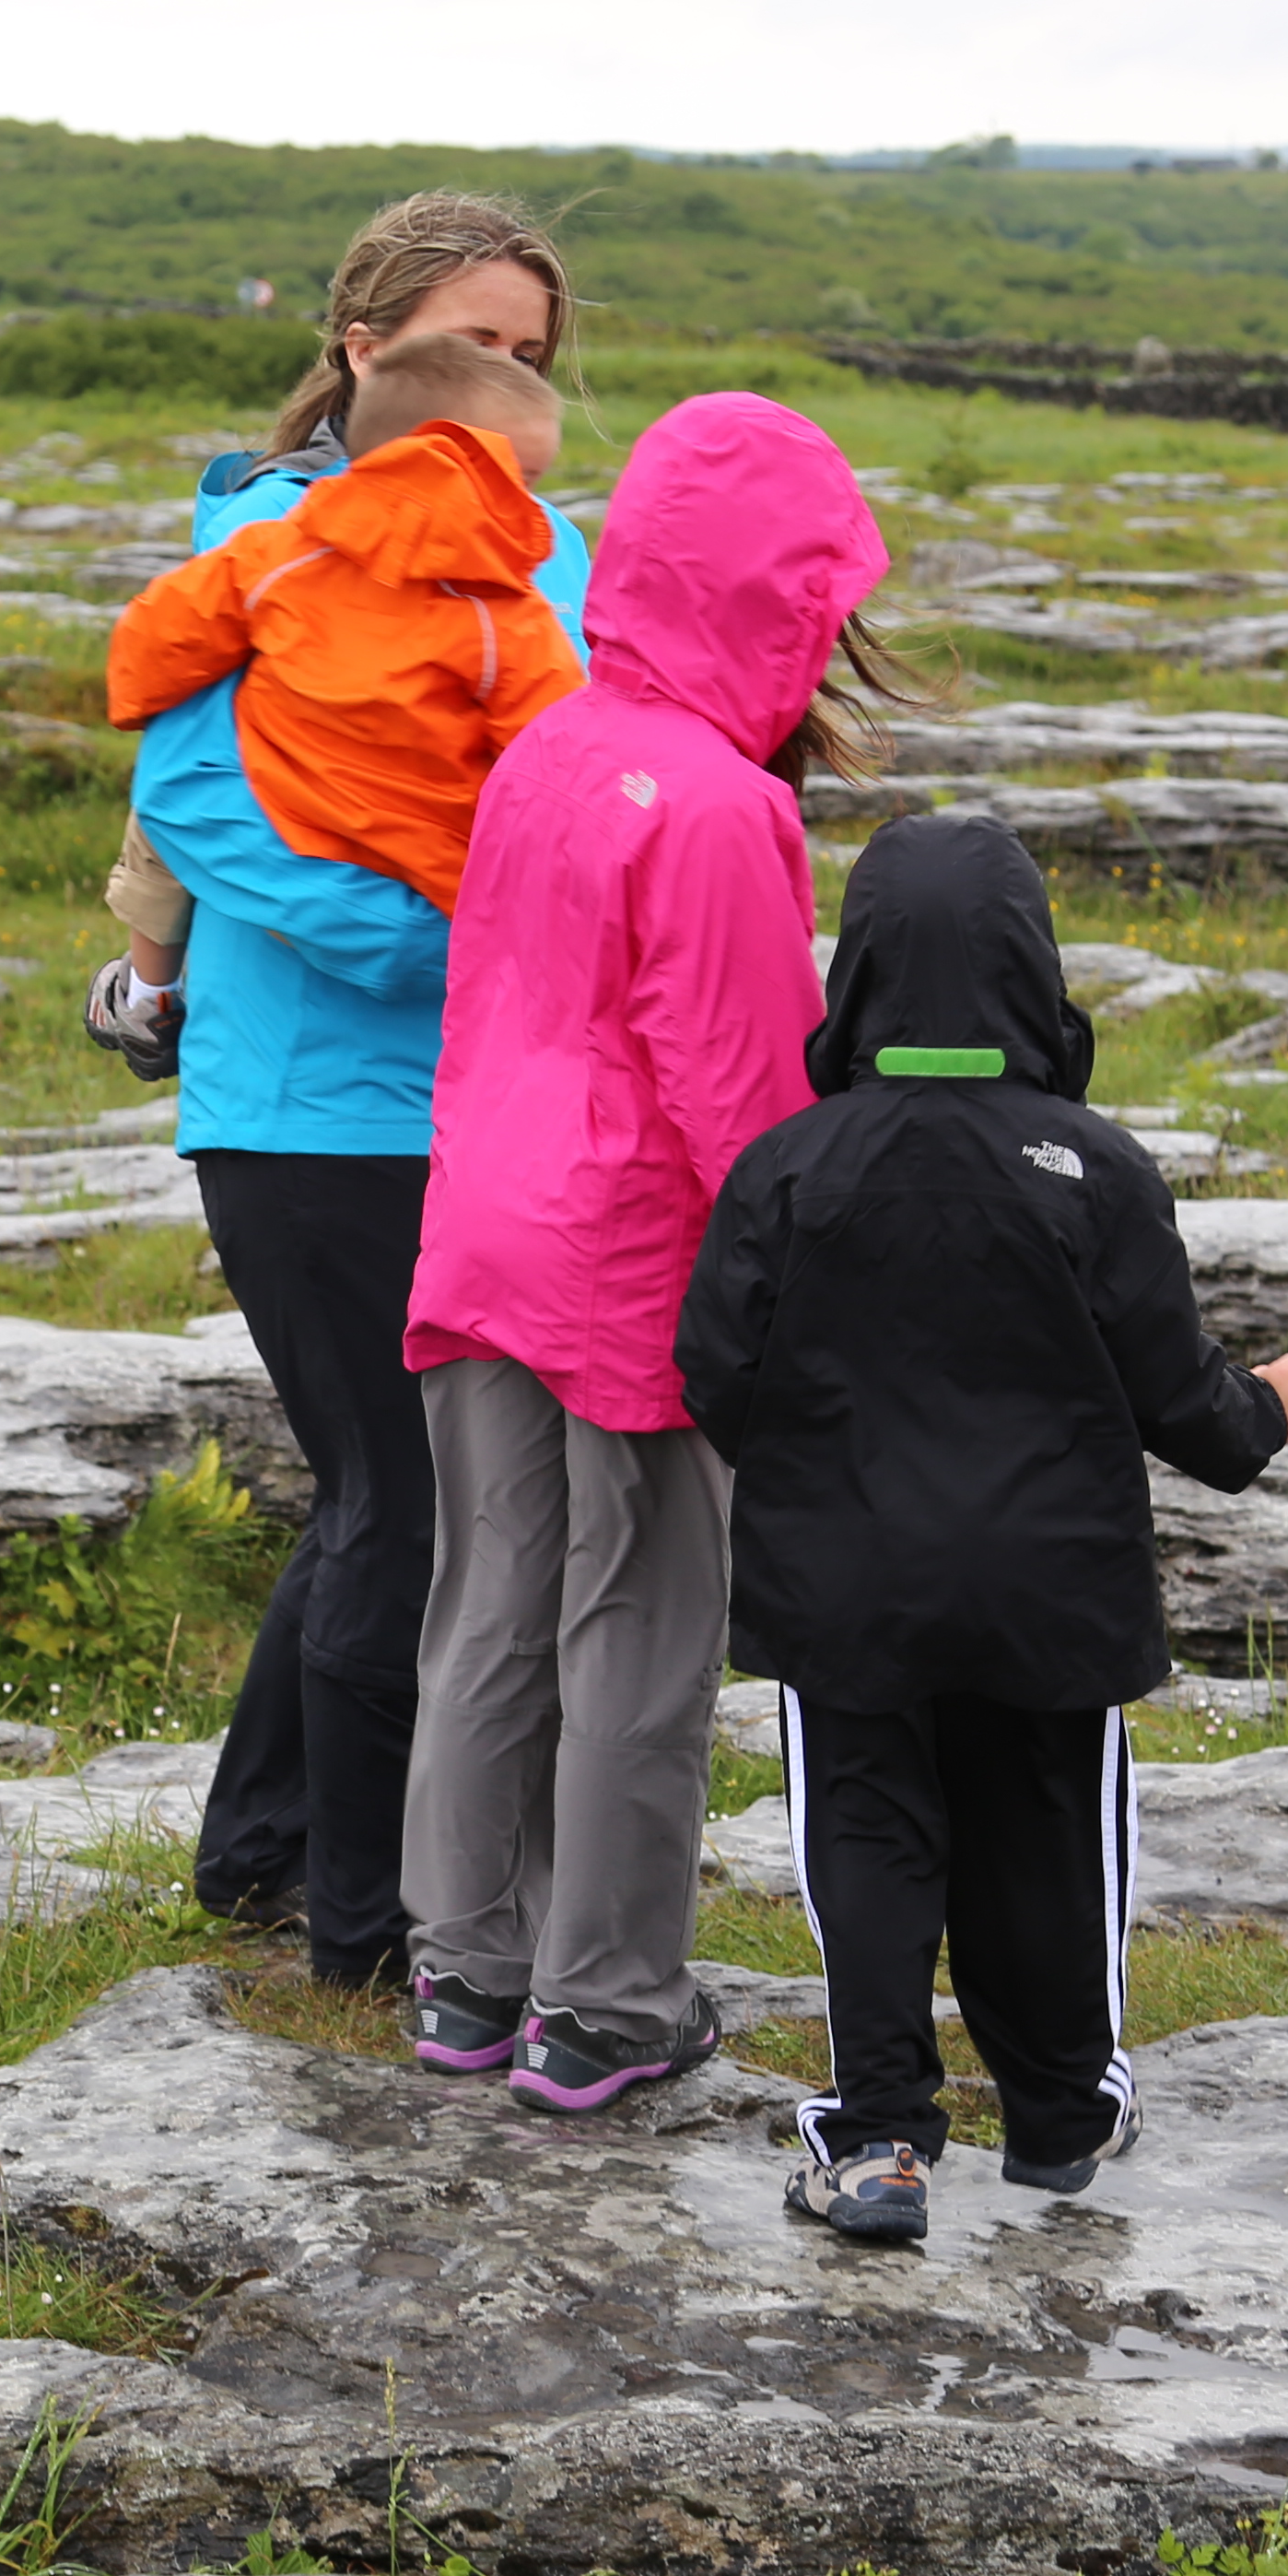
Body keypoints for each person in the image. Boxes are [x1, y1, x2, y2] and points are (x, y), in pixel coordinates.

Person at [673, 809, 1288, 2243]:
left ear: (861, 972)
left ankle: (883, 2140)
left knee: (870, 1842)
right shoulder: (1095, 1167)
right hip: (1048, 1592)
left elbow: (713, 1370)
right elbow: (1182, 1405)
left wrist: (813, 1475)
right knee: (1045, 1838)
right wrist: (1269, 1411)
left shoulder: (788, 1168)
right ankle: (1061, 2116)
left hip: (845, 1589)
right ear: (1036, 969)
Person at [395, 389, 897, 2111]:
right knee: (639, 1622)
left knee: (487, 1603)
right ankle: (603, 2002)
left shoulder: (546, 740)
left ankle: (466, 1973)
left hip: (476, 1230)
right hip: (628, 1265)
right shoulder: (718, 807)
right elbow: (746, 1095)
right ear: (776, 596)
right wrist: (812, 1304)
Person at [124, 189, 596, 1988]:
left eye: (531, 360)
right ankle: (369, 1922)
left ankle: (256, 1853)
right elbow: (188, 798)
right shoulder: (265, 545)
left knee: (372, 1489)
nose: (499, 388)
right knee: (412, 1503)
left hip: (496, 1108)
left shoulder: (552, 551)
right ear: (358, 354)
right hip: (312, 1106)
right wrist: (427, 940)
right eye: (462, 350)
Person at [96, 337, 580, 1041]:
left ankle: (148, 992)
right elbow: (558, 763)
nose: (532, 508)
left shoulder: (280, 553)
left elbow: (157, 639)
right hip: (436, 887)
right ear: (454, 468)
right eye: (523, 479)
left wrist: (133, 703)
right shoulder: (504, 617)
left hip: (293, 844)